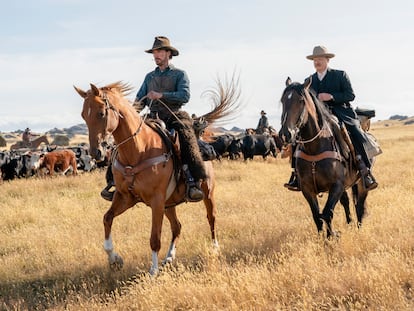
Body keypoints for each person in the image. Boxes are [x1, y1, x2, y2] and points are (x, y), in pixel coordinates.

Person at [101, 36, 206, 202]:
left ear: (168, 53)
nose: (156, 55)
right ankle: (114, 182)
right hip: (152, 117)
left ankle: (193, 181)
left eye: (160, 51)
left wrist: (161, 95)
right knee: (124, 139)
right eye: (154, 52)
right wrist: (130, 114)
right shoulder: (149, 77)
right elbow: (139, 100)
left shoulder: (179, 74)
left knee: (186, 138)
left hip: (174, 114)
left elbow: (185, 95)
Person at [284, 45, 378, 191]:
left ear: (327, 60)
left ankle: (365, 171)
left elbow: (350, 95)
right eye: (315, 59)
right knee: (299, 137)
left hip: (342, 113)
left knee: (355, 132)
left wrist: (331, 96)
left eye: (320, 59)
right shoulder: (309, 81)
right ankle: (296, 175)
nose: (317, 62)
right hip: (319, 117)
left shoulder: (340, 75)